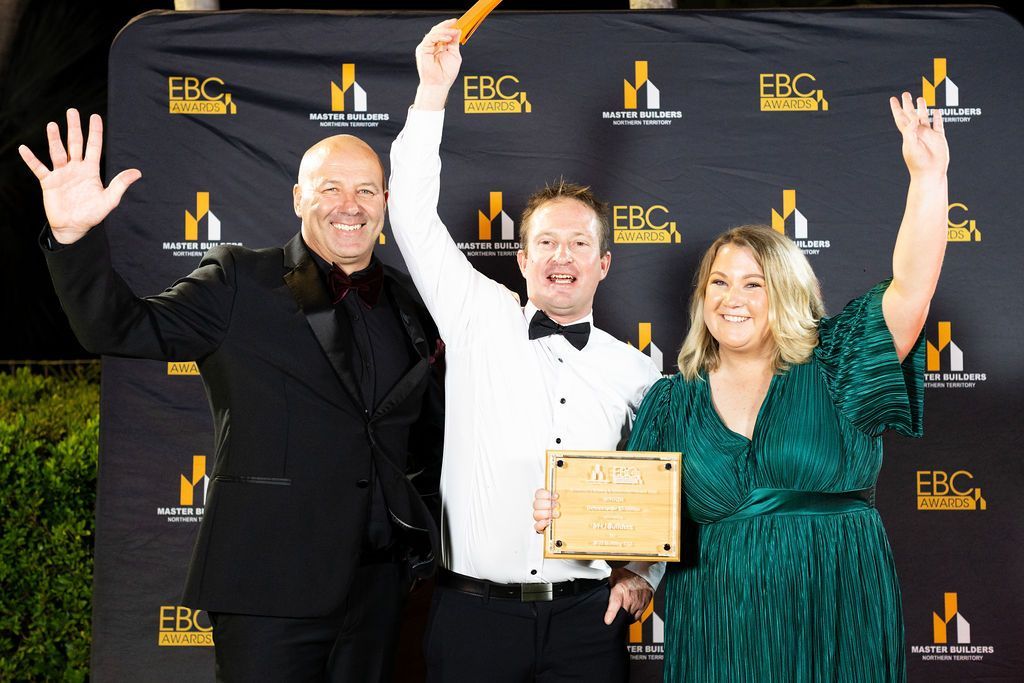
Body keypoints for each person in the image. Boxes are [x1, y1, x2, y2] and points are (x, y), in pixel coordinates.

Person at [536, 91, 948, 681]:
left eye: (754, 284)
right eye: (719, 283)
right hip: (719, 623)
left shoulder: (837, 361)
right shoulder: (672, 402)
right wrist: (580, 524)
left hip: (836, 610)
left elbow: (911, 288)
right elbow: (637, 523)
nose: (733, 299)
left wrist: (928, 178)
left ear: (786, 293)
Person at [19, 110, 444, 682]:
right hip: (266, 583)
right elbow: (118, 328)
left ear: (385, 201)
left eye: (366, 189)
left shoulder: (407, 301)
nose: (351, 204)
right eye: (331, 188)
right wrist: (73, 238)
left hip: (379, 590)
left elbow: (423, 433)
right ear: (298, 199)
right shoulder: (240, 279)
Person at [385, 20, 665, 683]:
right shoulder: (479, 313)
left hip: (585, 622)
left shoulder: (638, 369)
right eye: (545, 242)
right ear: (521, 257)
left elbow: (662, 482)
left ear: (603, 262)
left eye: (577, 244)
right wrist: (430, 95)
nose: (560, 257)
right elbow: (412, 221)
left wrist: (642, 570)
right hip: (475, 614)